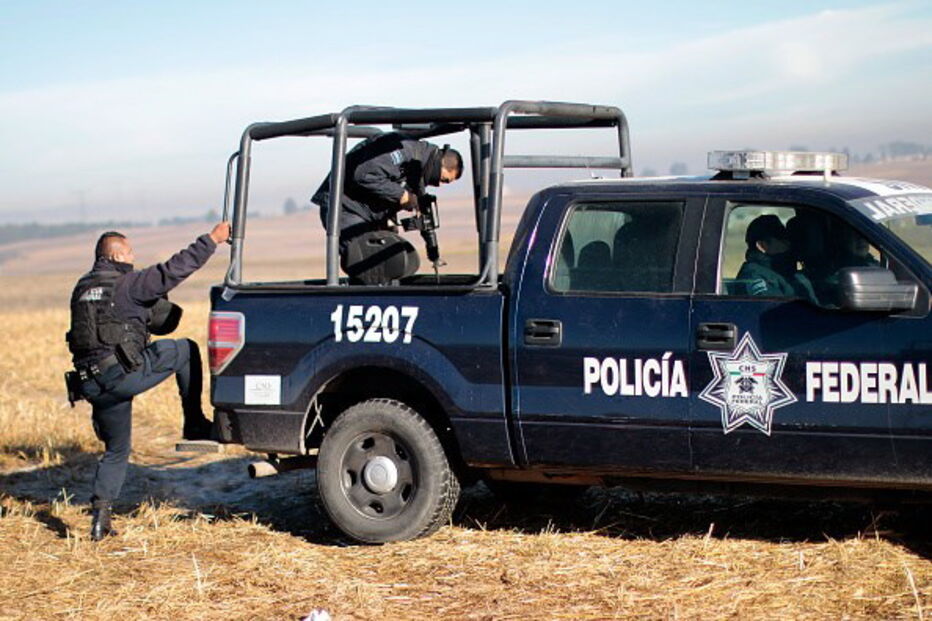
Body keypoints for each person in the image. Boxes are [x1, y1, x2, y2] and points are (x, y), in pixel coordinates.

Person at [66, 222, 231, 541]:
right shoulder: (127, 284)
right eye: (129, 252)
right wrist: (212, 239)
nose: (133, 257)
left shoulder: (82, 288)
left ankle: (100, 519)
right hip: (120, 375)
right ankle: (194, 423)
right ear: (116, 255)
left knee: (116, 449)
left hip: (91, 384)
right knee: (185, 349)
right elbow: (175, 269)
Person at [311, 132, 463, 281]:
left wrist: (432, 250)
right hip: (344, 206)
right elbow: (365, 175)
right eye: (443, 180)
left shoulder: (420, 169)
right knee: (371, 262)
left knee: (392, 258)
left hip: (369, 213)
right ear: (440, 164)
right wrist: (402, 196)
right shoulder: (404, 150)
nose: (439, 185)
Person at [737, 214, 815, 301]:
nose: (789, 243)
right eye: (781, 238)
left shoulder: (792, 275)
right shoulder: (755, 276)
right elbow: (773, 308)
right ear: (762, 246)